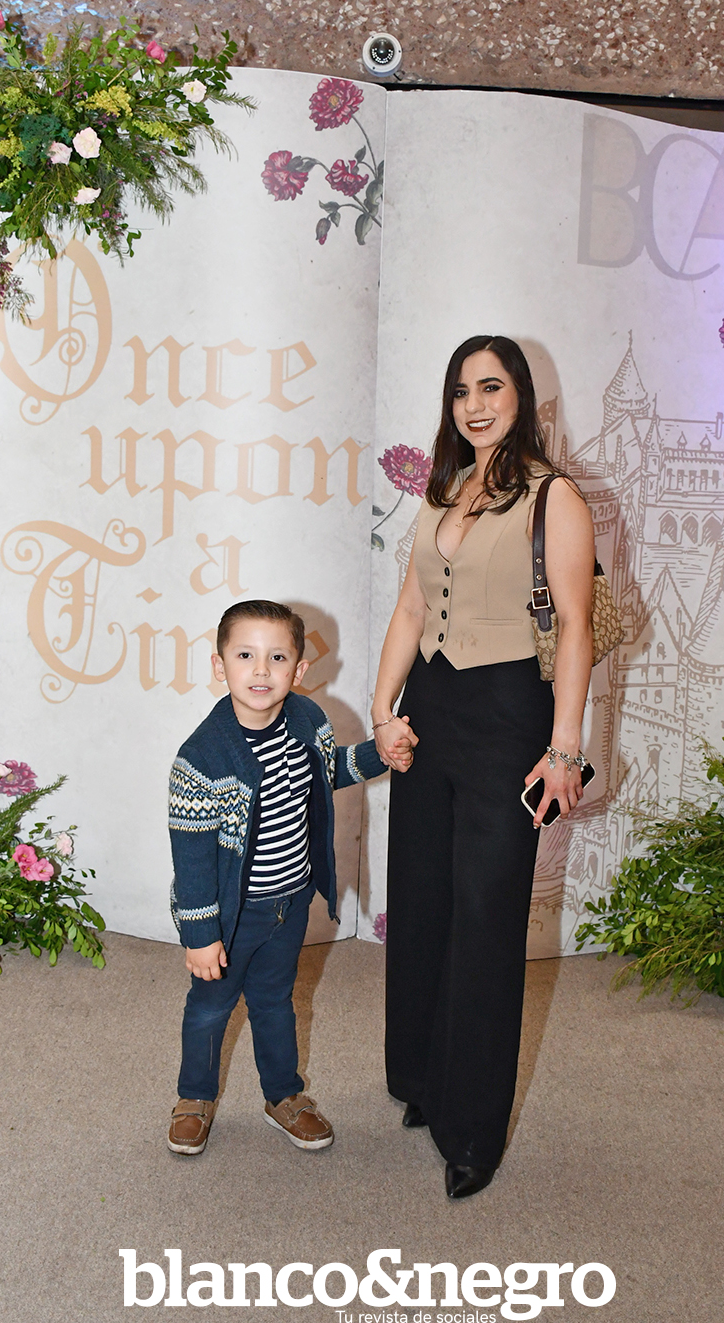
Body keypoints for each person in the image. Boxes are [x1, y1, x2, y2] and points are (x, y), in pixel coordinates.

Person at [371, 335, 596, 1199]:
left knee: (486, 915)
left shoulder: (554, 496)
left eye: (491, 387)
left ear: (521, 396)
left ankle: (472, 1133)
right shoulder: (444, 489)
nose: (475, 405)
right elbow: (411, 605)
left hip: (508, 715)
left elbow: (574, 626)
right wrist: (385, 709)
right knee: (422, 898)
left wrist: (564, 747)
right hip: (431, 710)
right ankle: (422, 1079)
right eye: (461, 390)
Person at [166, 598, 412, 1158]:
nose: (261, 670)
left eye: (276, 657)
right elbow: (192, 858)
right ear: (219, 665)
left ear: (298, 670)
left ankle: (283, 1095)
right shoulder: (202, 758)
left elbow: (329, 772)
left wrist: (380, 755)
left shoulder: (307, 720)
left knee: (276, 1001)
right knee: (210, 1007)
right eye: (245, 656)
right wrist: (201, 935)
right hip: (231, 915)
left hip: (290, 900)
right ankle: (194, 1097)